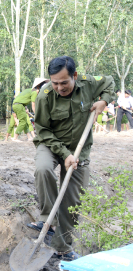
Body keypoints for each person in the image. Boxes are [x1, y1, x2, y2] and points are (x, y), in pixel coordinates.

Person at [28, 56, 115, 261]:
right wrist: (65, 154)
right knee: (42, 169)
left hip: (79, 149)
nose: (59, 87)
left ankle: (63, 247)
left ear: (74, 76)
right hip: (50, 144)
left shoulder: (88, 83)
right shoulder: (45, 95)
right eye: (55, 82)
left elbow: (110, 81)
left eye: (64, 82)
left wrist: (104, 101)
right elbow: (42, 130)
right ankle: (48, 219)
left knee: (72, 200)